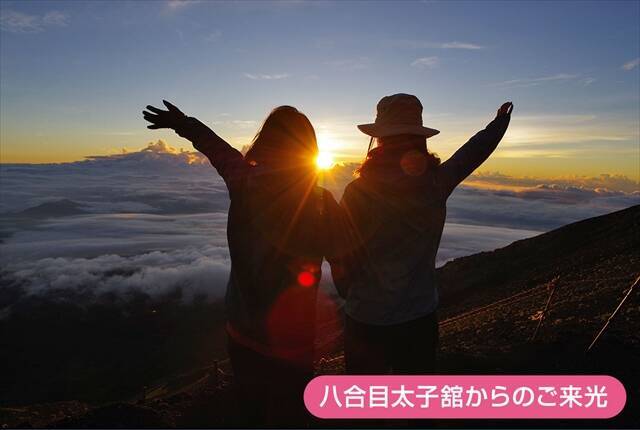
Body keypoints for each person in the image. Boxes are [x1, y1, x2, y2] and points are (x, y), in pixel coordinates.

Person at [143, 102, 343, 426]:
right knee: (291, 413)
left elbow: (217, 149)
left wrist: (182, 122)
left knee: (251, 411)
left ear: (266, 142)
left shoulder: (244, 181)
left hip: (243, 329)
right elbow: (343, 259)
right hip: (295, 336)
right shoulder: (322, 201)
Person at [330, 94, 513, 375]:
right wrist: (499, 123)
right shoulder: (436, 183)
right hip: (418, 316)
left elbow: (341, 252)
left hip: (366, 317)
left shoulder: (358, 192)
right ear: (419, 139)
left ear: (379, 140)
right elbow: (471, 154)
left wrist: (349, 291)